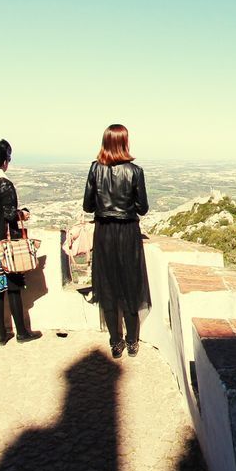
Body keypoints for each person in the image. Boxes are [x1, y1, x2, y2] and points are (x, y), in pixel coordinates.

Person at [83, 124, 151, 358]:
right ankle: (132, 341)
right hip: (128, 232)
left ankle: (115, 342)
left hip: (103, 232)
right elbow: (143, 208)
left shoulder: (95, 169)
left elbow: (87, 206)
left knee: (108, 286)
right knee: (131, 284)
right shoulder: (135, 171)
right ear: (124, 142)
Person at [0, 139, 42, 345]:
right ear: (4, 162)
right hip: (7, 243)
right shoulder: (4, 184)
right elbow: (9, 214)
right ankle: (22, 332)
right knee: (13, 287)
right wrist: (23, 214)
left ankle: (1, 334)